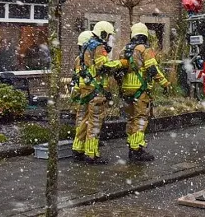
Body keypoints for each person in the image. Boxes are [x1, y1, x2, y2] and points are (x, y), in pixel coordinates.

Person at [120, 23, 170, 162]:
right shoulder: (144, 49)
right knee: (141, 118)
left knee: (131, 118)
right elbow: (152, 69)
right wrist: (165, 83)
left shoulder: (124, 50)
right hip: (140, 90)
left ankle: (131, 146)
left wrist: (121, 88)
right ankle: (137, 150)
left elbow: (119, 71)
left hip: (126, 90)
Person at [77, 21, 122, 165]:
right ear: (103, 33)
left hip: (87, 88)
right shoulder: (98, 46)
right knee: (95, 122)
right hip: (96, 90)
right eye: (108, 35)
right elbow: (104, 65)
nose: (108, 38)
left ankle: (78, 149)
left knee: (84, 120)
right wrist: (120, 63)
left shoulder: (87, 45)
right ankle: (91, 154)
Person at [70, 30, 93, 162]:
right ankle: (88, 151)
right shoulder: (87, 59)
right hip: (87, 92)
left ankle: (78, 148)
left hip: (79, 93)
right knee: (88, 121)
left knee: (81, 121)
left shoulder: (78, 59)